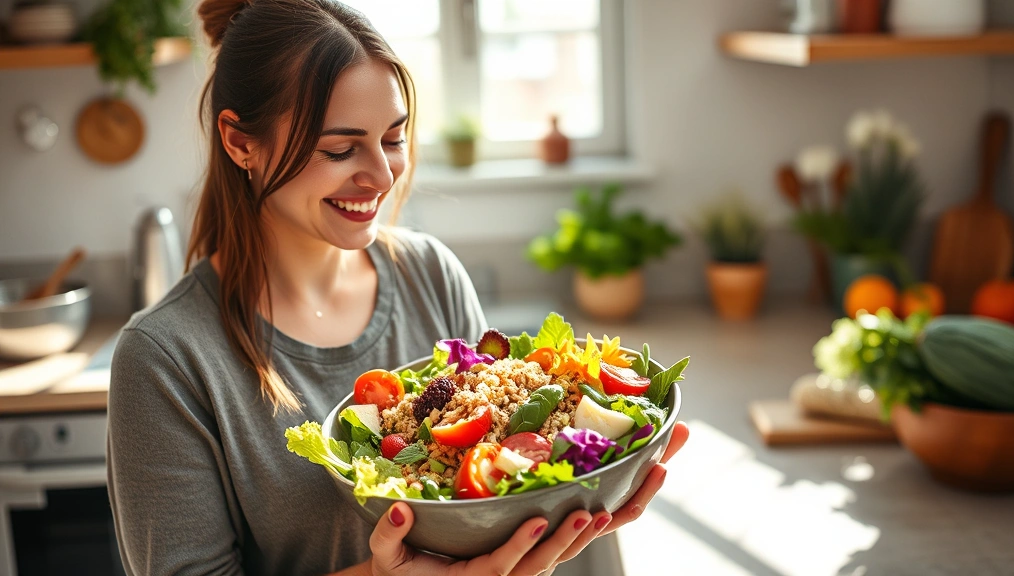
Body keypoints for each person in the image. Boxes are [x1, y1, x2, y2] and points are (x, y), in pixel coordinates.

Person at [106, 0, 689, 574]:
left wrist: (568, 512)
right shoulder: (165, 358)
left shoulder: (432, 275)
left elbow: (492, 504)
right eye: (339, 149)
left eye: (392, 139)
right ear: (240, 143)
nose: (382, 176)